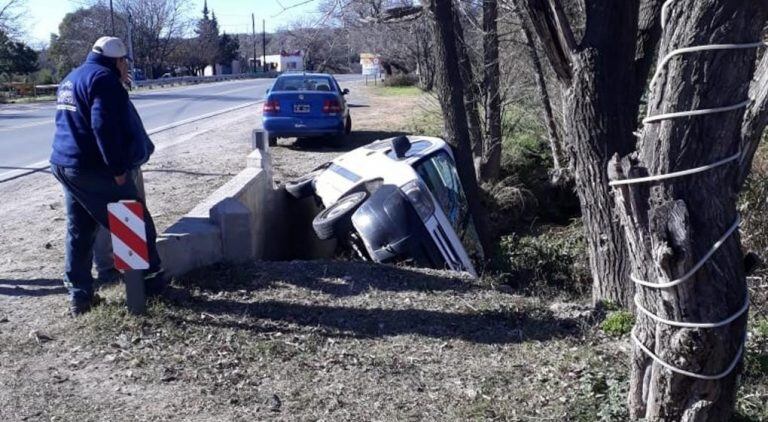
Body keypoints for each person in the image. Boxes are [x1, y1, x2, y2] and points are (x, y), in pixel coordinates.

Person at [50, 36, 164, 316]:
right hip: (92, 168)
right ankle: (150, 289)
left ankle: (80, 297)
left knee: (80, 229)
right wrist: (118, 170)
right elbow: (103, 127)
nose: (126, 70)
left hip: (64, 165)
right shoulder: (104, 80)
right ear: (118, 60)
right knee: (134, 222)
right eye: (125, 63)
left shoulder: (71, 77)